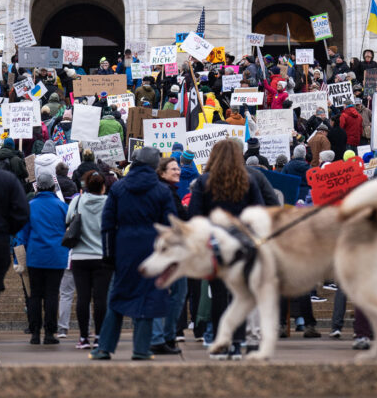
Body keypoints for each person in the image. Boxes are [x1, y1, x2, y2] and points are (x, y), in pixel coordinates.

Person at [91, 147, 176, 360]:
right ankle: (141, 349)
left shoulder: (119, 188)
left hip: (124, 249)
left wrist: (108, 255)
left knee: (117, 298)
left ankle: (104, 348)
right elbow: (171, 228)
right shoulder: (162, 191)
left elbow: (107, 225)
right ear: (155, 165)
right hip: (153, 249)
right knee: (148, 298)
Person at [188, 139, 264, 360]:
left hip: (216, 247)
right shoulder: (248, 181)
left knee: (218, 296)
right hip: (242, 247)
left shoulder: (204, 183)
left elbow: (194, 216)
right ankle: (237, 342)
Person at [18, 173, 69, 345]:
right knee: (52, 295)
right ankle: (49, 333)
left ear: (37, 187)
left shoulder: (30, 206)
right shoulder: (62, 206)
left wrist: (19, 259)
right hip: (56, 255)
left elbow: (21, 235)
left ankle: (34, 333)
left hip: (35, 256)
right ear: (53, 187)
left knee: (35, 295)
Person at [66, 171, 112, 350]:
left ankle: (83, 336)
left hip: (80, 256)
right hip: (102, 255)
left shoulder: (77, 201)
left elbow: (68, 219)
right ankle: (99, 336)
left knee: (83, 298)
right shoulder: (108, 202)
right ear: (103, 187)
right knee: (100, 298)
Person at [150, 158, 188, 355]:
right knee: (176, 292)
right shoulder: (166, 192)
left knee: (173, 292)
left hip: (167, 249)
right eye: (173, 168)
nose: (178, 171)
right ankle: (165, 336)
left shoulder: (168, 191)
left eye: (178, 168)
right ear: (162, 172)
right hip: (169, 250)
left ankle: (164, 336)